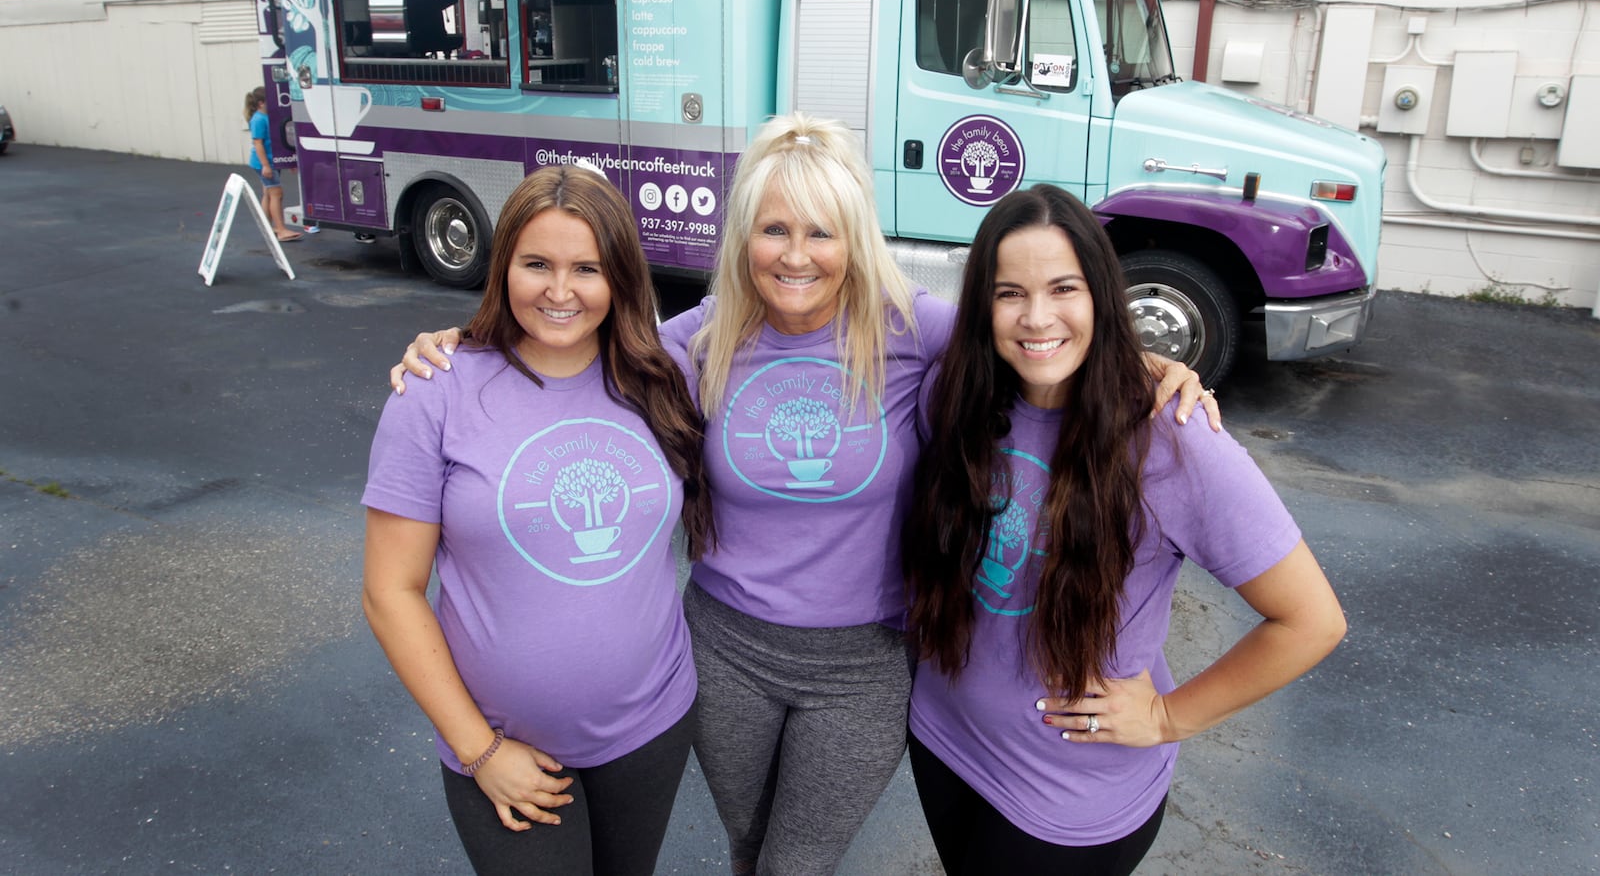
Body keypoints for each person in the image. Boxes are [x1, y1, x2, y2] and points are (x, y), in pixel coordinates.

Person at [389, 115, 1217, 876]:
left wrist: (1148, 363)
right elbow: (578, 334)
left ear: (853, 239)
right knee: (751, 849)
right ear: (744, 236)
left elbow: (1029, 331)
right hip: (725, 650)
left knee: (794, 866)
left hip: (864, 662)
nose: (796, 253)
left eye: (821, 230)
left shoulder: (909, 328)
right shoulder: (698, 342)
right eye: (775, 228)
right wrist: (464, 340)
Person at [901, 183, 1347, 876]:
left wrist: (1170, 717)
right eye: (1009, 292)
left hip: (1067, 801)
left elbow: (1312, 620)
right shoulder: (953, 394)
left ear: (1102, 294)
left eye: (1063, 288)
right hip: (942, 740)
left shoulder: (1171, 438)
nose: (1036, 316)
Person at [361, 164, 713, 876]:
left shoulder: (665, 374)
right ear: (502, 266)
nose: (560, 290)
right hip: (498, 741)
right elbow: (390, 591)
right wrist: (479, 750)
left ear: (619, 275)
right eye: (536, 264)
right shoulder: (436, 389)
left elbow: (790, 303)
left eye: (586, 267)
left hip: (650, 725)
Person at [244, 87, 300, 242]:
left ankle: (267, 226)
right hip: (265, 162)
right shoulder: (258, 119)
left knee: (269, 193)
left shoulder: (267, 117)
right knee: (277, 194)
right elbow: (258, 143)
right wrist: (265, 166)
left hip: (271, 161)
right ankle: (281, 230)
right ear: (261, 103)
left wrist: (289, 161)